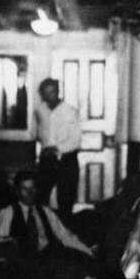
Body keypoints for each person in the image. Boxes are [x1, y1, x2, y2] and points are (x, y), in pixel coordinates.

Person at [32, 78, 81, 221]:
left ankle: (66, 234)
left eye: (52, 92)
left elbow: (76, 140)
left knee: (65, 201)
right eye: (46, 94)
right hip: (47, 161)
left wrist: (57, 148)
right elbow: (40, 134)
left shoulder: (69, 111)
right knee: (40, 198)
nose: (49, 97)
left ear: (58, 91)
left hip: (67, 160)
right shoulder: (40, 110)